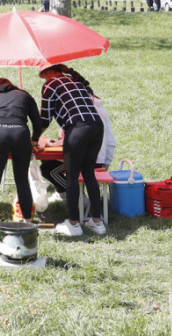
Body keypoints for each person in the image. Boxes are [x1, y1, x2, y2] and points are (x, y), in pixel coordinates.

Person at [38, 63, 106, 236]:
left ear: (50, 72)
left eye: (43, 75)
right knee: (89, 174)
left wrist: (33, 138)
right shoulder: (76, 82)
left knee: (72, 176)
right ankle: (97, 223)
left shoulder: (50, 85)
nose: (43, 79)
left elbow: (44, 119)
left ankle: (74, 224)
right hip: (97, 127)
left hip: (77, 128)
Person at [0, 78, 43, 241]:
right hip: (21, 133)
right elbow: (38, 122)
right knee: (22, 181)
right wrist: (34, 139)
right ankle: (28, 224)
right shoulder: (25, 95)